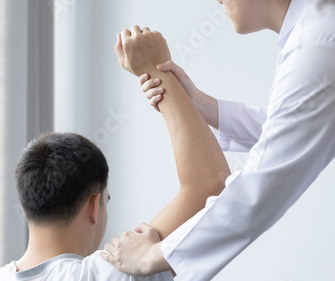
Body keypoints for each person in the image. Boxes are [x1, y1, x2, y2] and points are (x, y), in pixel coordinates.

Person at [102, 0, 335, 280]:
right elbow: (291, 126)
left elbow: (260, 189)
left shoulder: (319, 43)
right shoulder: (317, 33)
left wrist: (154, 254)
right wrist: (196, 102)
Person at [0, 27, 232, 280]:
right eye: (105, 200)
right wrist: (156, 69)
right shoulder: (119, 270)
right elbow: (212, 183)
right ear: (94, 206)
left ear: (25, 207)